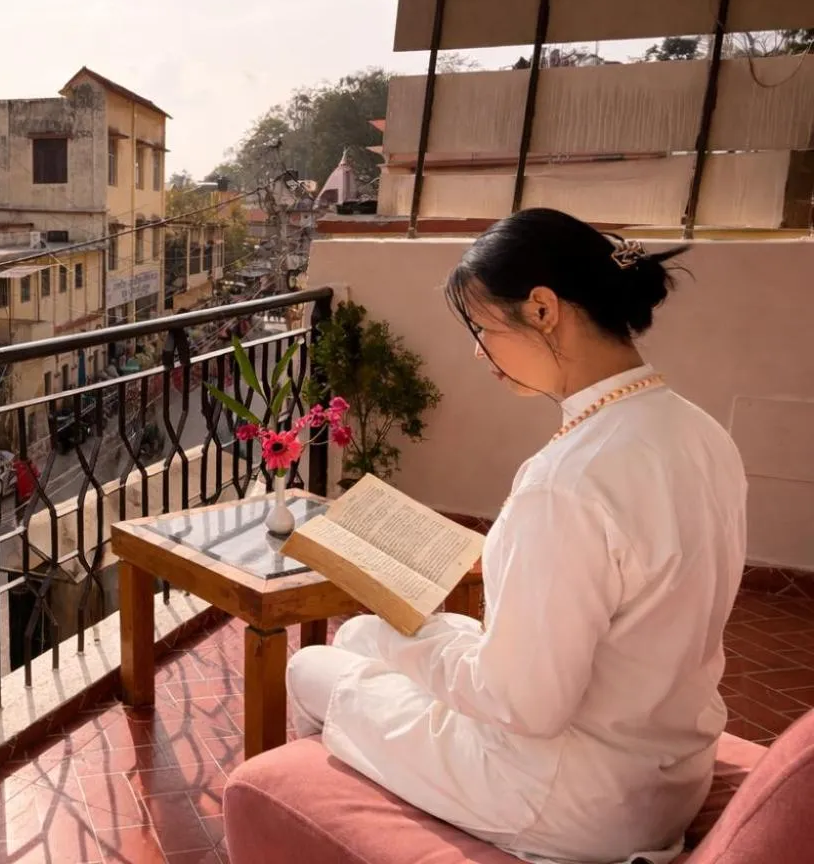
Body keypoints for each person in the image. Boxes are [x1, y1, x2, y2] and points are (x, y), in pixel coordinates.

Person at [285, 209, 746, 864]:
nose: (478, 350)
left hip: (564, 798)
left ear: (541, 309)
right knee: (361, 637)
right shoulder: (700, 432)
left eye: (481, 325)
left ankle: (307, 815)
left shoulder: (567, 483)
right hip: (668, 770)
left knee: (313, 665)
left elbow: (521, 704)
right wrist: (413, 638)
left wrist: (405, 635)